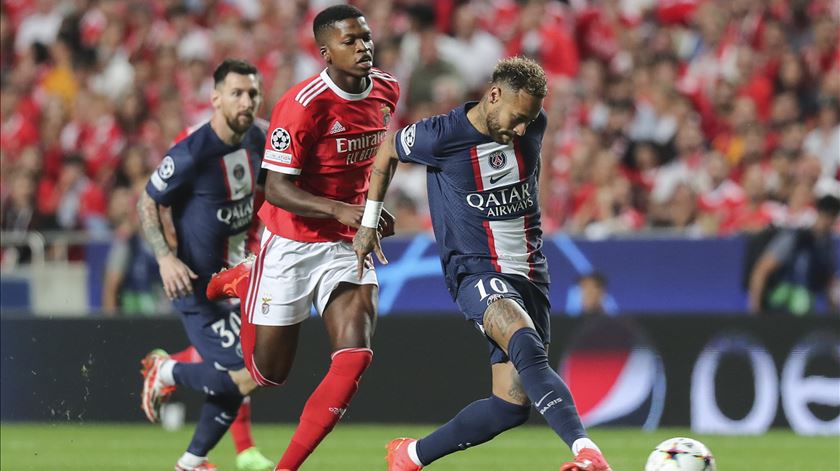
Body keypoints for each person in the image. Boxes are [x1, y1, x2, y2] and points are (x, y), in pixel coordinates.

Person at [352, 57, 612, 471]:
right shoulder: (441, 135)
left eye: (530, 119)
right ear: (493, 95)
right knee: (525, 344)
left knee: (510, 406)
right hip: (475, 270)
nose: (524, 128)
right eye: (518, 117)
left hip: (530, 272)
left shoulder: (534, 124)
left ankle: (410, 456)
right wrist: (368, 223)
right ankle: (587, 452)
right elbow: (387, 150)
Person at [206, 5, 400, 470]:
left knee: (355, 355)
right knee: (269, 375)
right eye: (350, 41)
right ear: (324, 52)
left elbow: (380, 157)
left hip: (343, 244)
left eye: (366, 37)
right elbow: (275, 187)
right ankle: (247, 280)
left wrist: (370, 214)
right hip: (290, 242)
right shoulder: (302, 104)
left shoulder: (387, 90)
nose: (363, 47)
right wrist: (346, 210)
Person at [136, 58, 270, 471]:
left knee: (249, 372)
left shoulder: (259, 139)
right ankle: (166, 371)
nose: (246, 101)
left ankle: (192, 462)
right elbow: (148, 201)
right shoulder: (192, 151)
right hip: (196, 283)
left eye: (252, 93)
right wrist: (164, 257)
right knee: (249, 372)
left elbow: (267, 192)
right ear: (215, 98)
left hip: (239, 274)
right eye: (236, 93)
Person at [748, 194, 840, 315]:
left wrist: (832, 315)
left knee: (804, 300)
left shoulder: (825, 246)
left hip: (806, 304)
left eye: (832, 217)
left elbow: (828, 283)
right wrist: (754, 310)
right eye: (826, 215)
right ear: (818, 213)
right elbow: (761, 270)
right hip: (780, 300)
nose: (828, 221)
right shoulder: (795, 238)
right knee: (801, 299)